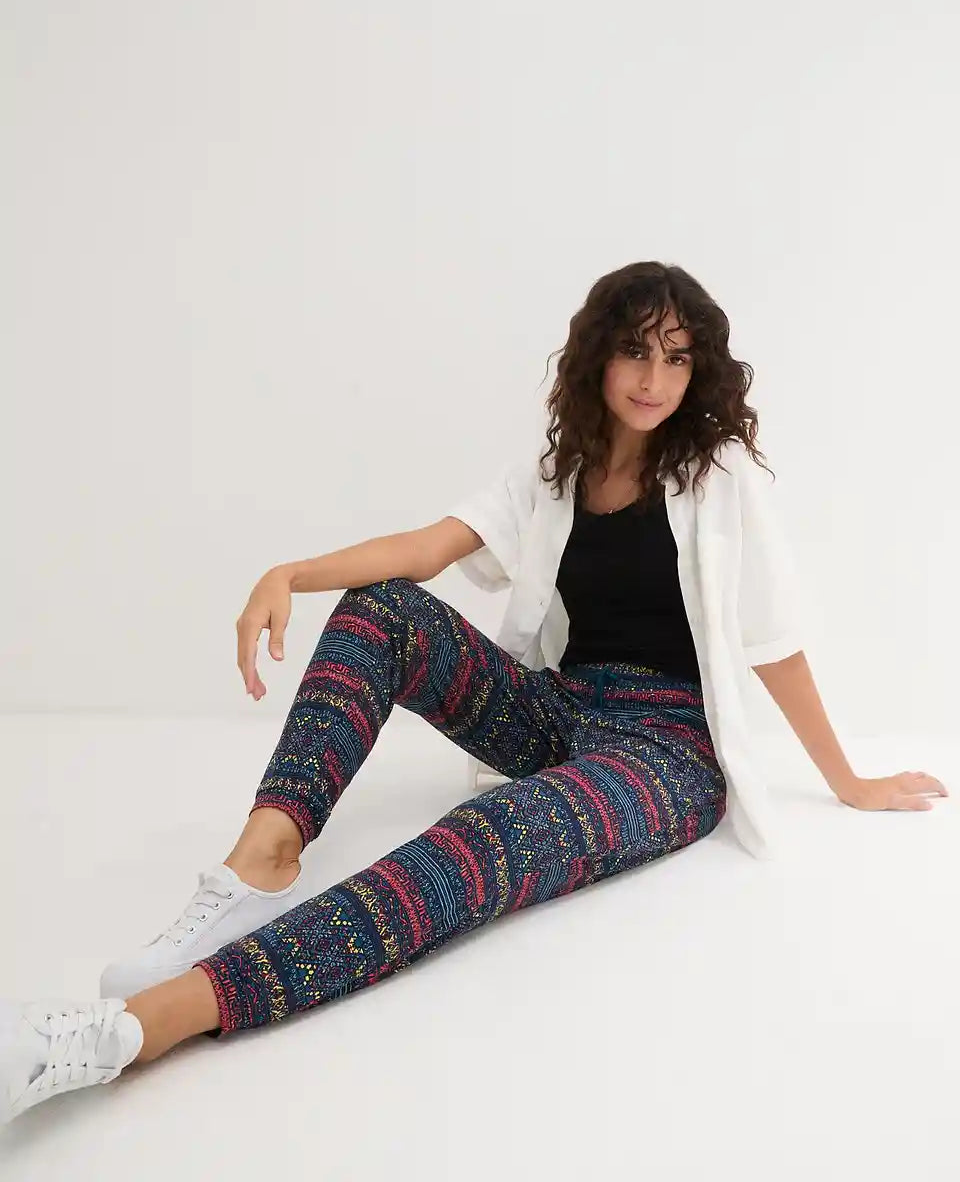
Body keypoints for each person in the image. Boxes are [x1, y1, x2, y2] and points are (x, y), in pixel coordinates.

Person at [1, 260, 947, 1126]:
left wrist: (849, 780)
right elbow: (425, 550)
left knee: (488, 839)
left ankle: (135, 1029)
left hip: (666, 754)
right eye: (635, 350)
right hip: (560, 710)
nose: (654, 378)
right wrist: (290, 571)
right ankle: (259, 867)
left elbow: (774, 644)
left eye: (676, 357)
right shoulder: (556, 473)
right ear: (597, 356)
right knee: (383, 609)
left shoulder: (717, 478)